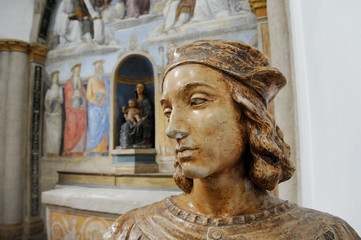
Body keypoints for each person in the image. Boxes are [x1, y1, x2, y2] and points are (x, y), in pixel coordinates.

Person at [104, 40, 360, 239]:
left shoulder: (323, 234)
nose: (173, 129)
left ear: (249, 115)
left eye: (197, 101)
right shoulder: (130, 231)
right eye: (168, 111)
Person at [85, 60, 109, 155]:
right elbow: (88, 96)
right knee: (93, 129)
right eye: (98, 68)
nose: (99, 70)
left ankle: (101, 150)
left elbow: (109, 94)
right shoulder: (91, 80)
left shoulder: (105, 80)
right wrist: (94, 101)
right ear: (95, 69)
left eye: (101, 68)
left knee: (103, 128)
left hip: (103, 108)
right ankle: (92, 150)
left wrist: (104, 92)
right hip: (94, 109)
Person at [119, 83, 153, 148]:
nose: (139, 89)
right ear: (136, 89)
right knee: (125, 125)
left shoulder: (146, 101)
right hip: (133, 118)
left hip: (143, 119)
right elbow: (128, 111)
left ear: (144, 89)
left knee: (139, 125)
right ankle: (127, 142)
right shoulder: (134, 101)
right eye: (138, 87)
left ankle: (140, 143)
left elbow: (149, 112)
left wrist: (144, 117)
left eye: (141, 88)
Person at [63, 64, 87, 156]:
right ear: (73, 71)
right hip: (71, 110)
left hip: (80, 110)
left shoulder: (80, 83)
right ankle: (70, 150)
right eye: (77, 71)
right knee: (72, 129)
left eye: (79, 71)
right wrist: (74, 95)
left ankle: (78, 151)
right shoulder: (69, 82)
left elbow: (84, 94)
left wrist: (82, 99)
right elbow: (67, 94)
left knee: (81, 128)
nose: (78, 73)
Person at [43, 70, 63, 156]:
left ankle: (55, 152)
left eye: (57, 77)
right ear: (52, 79)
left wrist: (56, 99)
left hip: (57, 114)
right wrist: (48, 108)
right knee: (49, 135)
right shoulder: (49, 91)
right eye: (55, 77)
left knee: (57, 134)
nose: (56, 79)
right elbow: (46, 102)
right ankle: (49, 152)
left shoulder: (60, 89)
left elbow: (61, 101)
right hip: (49, 116)